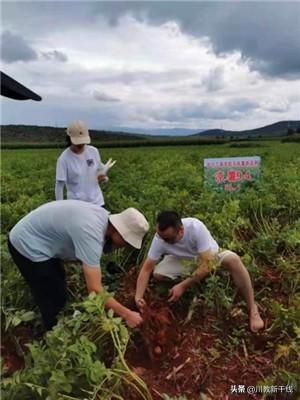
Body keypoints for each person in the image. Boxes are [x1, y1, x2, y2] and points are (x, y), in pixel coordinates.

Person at [8, 200, 149, 330]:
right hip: (26, 244)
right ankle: (52, 334)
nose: (125, 246)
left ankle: (56, 318)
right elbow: (94, 290)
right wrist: (127, 314)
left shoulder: (102, 217)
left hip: (37, 236)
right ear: (119, 231)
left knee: (58, 281)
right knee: (50, 294)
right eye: (126, 241)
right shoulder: (91, 233)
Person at [135, 211, 264, 333]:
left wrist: (182, 286)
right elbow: (147, 268)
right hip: (184, 261)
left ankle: (253, 307)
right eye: (161, 237)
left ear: (181, 231)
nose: (163, 241)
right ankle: (197, 281)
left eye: (168, 239)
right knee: (158, 274)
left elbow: (206, 264)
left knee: (233, 260)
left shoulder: (195, 227)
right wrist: (138, 297)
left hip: (209, 257)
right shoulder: (160, 237)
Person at [55, 120, 113, 207]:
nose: (81, 145)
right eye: (78, 143)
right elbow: (59, 186)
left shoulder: (93, 151)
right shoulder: (64, 159)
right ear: (69, 139)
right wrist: (59, 207)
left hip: (97, 202)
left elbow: (100, 170)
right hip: (77, 205)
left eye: (83, 142)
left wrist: (104, 178)